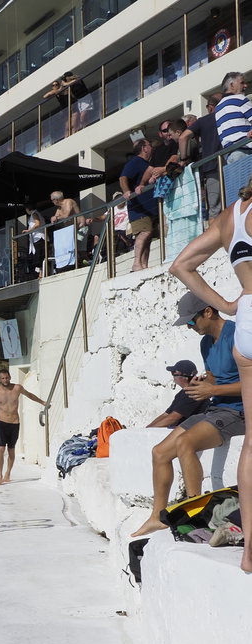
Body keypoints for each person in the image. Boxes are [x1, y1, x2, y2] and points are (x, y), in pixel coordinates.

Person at [167, 184, 252, 570]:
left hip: (247, 317)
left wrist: (232, 304)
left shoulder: (230, 215)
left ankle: (248, 552)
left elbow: (181, 265)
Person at [129, 293, 244, 545]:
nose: (190, 328)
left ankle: (197, 513)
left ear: (207, 312)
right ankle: (158, 515)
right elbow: (215, 378)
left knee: (186, 444)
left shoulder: (238, 334)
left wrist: (213, 390)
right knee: (159, 452)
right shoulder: (206, 343)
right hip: (217, 410)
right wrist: (202, 384)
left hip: (240, 411)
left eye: (191, 322)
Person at [0, 370, 47, 485]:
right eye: (3, 378)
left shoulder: (17, 388)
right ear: (0, 379)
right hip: (1, 422)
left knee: (11, 449)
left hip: (14, 423)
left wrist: (42, 402)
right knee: (0, 448)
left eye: (7, 378)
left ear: (10, 377)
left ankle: (8, 473)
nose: (5, 380)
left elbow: (29, 395)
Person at [178, 92, 223, 219]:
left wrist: (184, 158)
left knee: (214, 209)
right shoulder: (227, 114)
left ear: (211, 106)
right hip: (231, 162)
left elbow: (183, 138)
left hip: (212, 168)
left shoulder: (204, 121)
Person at [119, 139, 158, 271]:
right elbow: (123, 178)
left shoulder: (146, 163)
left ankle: (143, 265)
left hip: (148, 207)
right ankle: (136, 263)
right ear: (144, 148)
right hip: (138, 207)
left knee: (148, 235)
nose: (151, 147)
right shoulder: (136, 161)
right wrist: (126, 192)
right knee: (145, 232)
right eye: (149, 145)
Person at [146, 360, 209, 427]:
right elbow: (166, 414)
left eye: (174, 373)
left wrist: (148, 430)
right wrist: (147, 428)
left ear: (184, 377)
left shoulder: (194, 392)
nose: (172, 376)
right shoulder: (182, 393)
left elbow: (173, 418)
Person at [214, 71, 252, 163]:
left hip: (229, 155)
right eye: (242, 83)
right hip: (246, 150)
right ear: (232, 85)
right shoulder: (240, 99)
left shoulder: (218, 108)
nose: (245, 86)